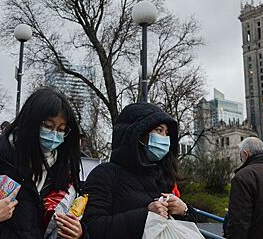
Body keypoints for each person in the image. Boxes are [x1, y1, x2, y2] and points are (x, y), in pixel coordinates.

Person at [0, 87, 86, 239]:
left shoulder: (64, 176)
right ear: (30, 122)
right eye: (48, 126)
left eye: (61, 129)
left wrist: (79, 234)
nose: (53, 134)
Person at [83, 102, 198, 239]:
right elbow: (91, 227)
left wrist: (184, 211)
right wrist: (145, 215)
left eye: (167, 133)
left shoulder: (162, 176)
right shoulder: (105, 174)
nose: (165, 138)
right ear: (137, 134)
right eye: (159, 130)